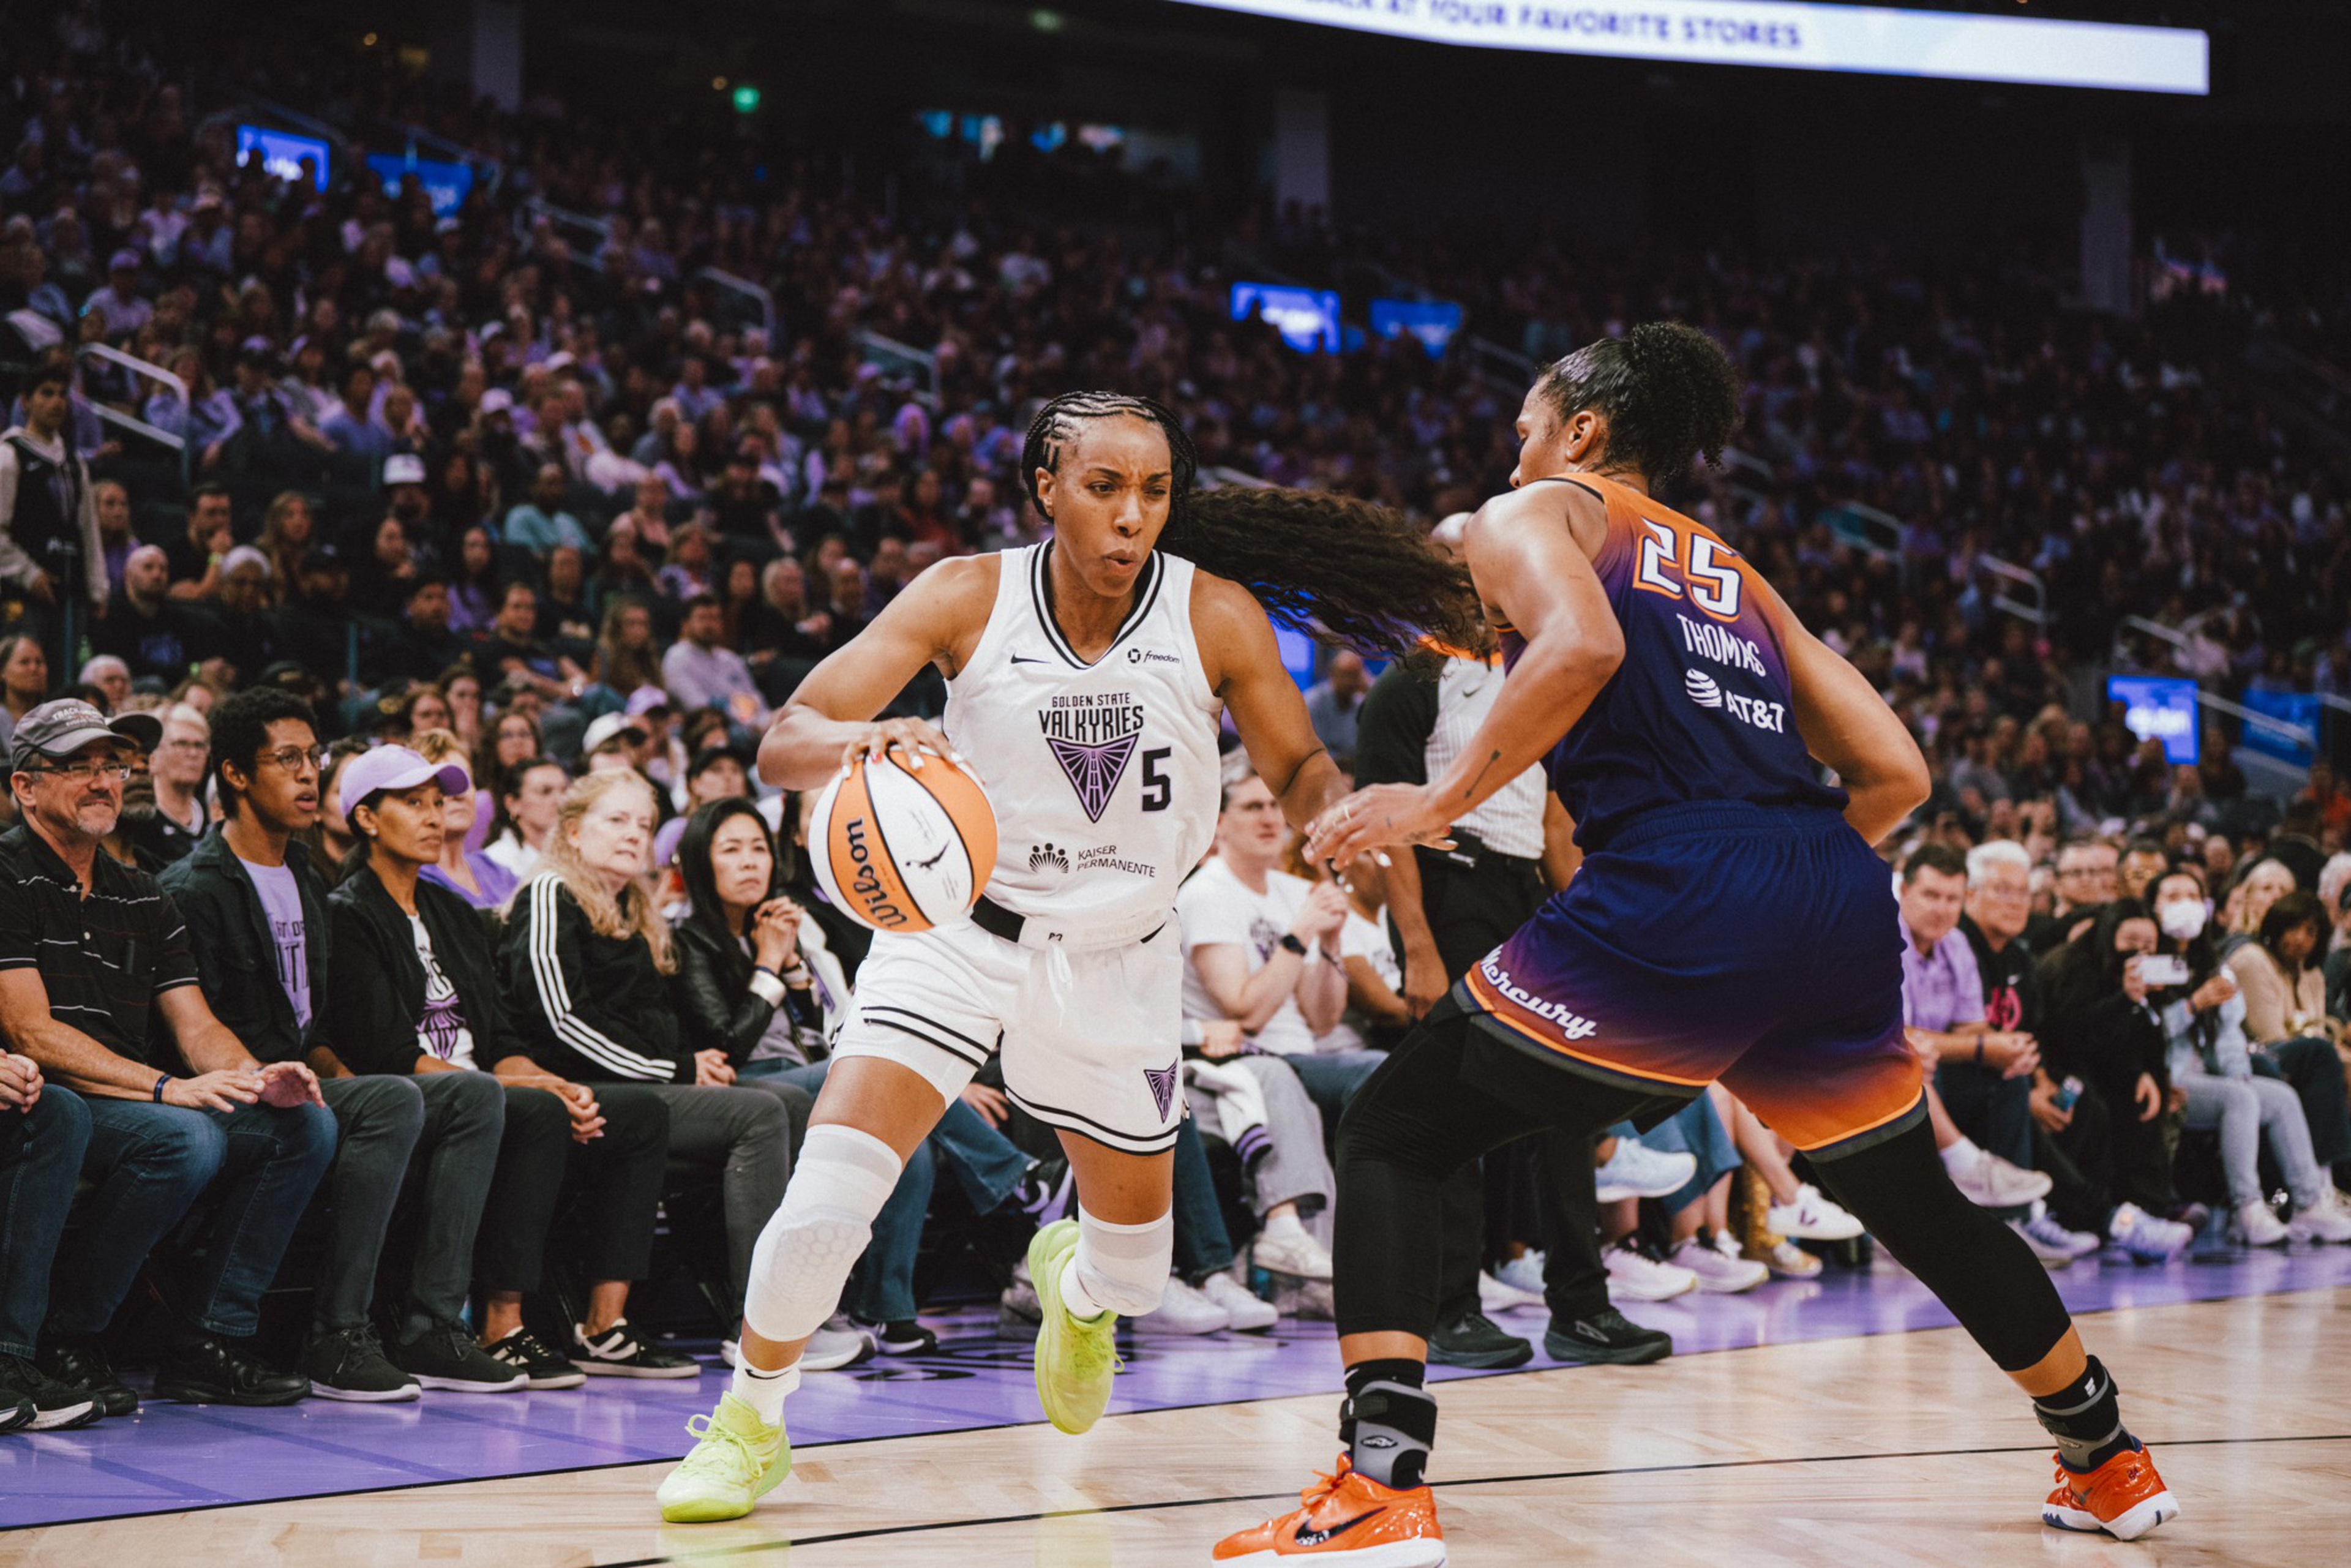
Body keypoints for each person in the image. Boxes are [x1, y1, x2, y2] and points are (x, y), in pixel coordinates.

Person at [1226, 325, 2181, 1562]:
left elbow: (1582, 647)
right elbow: (1898, 769)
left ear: (1580, 432)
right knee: (1912, 1199)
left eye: (1526, 429)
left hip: (1680, 880)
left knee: (1395, 1131)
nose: (1512, 455)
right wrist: (1784, 885)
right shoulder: (1733, 572)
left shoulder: (1538, 511)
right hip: (1829, 887)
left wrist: (1436, 800)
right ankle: (2107, 1457)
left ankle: (1380, 1483)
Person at [658, 390, 1479, 1523]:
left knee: (1138, 1270)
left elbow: (1296, 768)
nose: (1132, 514)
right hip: (957, 936)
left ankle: (1076, 1286)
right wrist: (864, 737)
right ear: (1047, 488)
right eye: (1104, 486)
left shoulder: (1215, 614)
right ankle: (750, 1420)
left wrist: (1335, 812)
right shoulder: (966, 594)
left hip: (1119, 958)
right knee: (832, 1188)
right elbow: (786, 738)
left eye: (1154, 491)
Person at [158, 692, 520, 1399]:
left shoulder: (305, 876)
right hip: (226, 1090)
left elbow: (314, 1030)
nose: (308, 774)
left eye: (313, 757)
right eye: (287, 758)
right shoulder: (195, 888)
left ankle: (433, 1325)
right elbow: (192, 1031)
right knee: (382, 1102)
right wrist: (289, 1080)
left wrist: (343, 1080)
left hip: (302, 1081)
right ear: (236, 774)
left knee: (469, 1095)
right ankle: (336, 1332)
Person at [0, 699, 336, 1412]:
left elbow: (195, 1023)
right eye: (79, 766)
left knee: (301, 1122)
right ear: (25, 785)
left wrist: (255, 1076)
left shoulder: (143, 894)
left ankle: (209, 1339)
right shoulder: (5, 874)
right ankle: (68, 1334)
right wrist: (164, 1087)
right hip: (42, 1094)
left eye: (113, 765)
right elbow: (32, 1033)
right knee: (182, 1137)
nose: (103, 781)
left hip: (127, 1099)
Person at [324, 743, 678, 1389]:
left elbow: (501, 1035)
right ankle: (491, 1325)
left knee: (635, 1112)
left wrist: (552, 1081)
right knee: (528, 1109)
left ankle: (604, 1324)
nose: (434, 816)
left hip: (486, 1085)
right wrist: (522, 1087)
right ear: (367, 818)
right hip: (417, 1091)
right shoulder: (346, 913)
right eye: (413, 803)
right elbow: (390, 1054)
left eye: (439, 802)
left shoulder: (454, 913)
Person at [500, 769, 809, 1369]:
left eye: (643, 824)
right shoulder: (551, 893)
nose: (633, 835)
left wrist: (694, 1062)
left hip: (641, 1080)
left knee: (793, 1101)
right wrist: (675, 1067)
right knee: (761, 1113)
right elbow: (561, 1020)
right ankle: (760, 1323)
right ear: (573, 830)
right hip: (579, 1089)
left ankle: (802, 1305)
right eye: (616, 820)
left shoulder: (635, 905)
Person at [2142, 874, 2351, 1247]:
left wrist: (2238, 1073)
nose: (2184, 903)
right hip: (2165, 1077)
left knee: (2278, 1096)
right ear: (2154, 906)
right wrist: (2192, 1006)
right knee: (2239, 1098)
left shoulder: (2213, 964)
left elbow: (2229, 1035)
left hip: (2210, 1075)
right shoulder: (2145, 964)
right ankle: (2247, 1205)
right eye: (2173, 895)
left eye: (2192, 895)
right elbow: (2142, 1032)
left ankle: (2309, 1202)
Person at [0, 361, 109, 655]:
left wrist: (97, 587)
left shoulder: (74, 462)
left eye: (63, 394)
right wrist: (28, 573)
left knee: (66, 677)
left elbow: (88, 530)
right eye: (47, 393)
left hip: (70, 588)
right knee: (21, 668)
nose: (57, 402)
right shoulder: (9, 454)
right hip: (21, 591)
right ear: (26, 401)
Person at [408, 729, 520, 910]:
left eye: (466, 780)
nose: (459, 794)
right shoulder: (412, 881)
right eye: (445, 784)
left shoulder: (498, 871)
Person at [124, 702, 210, 869]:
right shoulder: (139, 820)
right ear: (153, 758)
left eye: (199, 745)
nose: (193, 753)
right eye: (181, 744)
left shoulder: (215, 816)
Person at [484, 754, 566, 881]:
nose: (561, 800)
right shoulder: (495, 861)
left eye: (565, 790)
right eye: (545, 791)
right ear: (513, 804)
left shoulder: (579, 852)